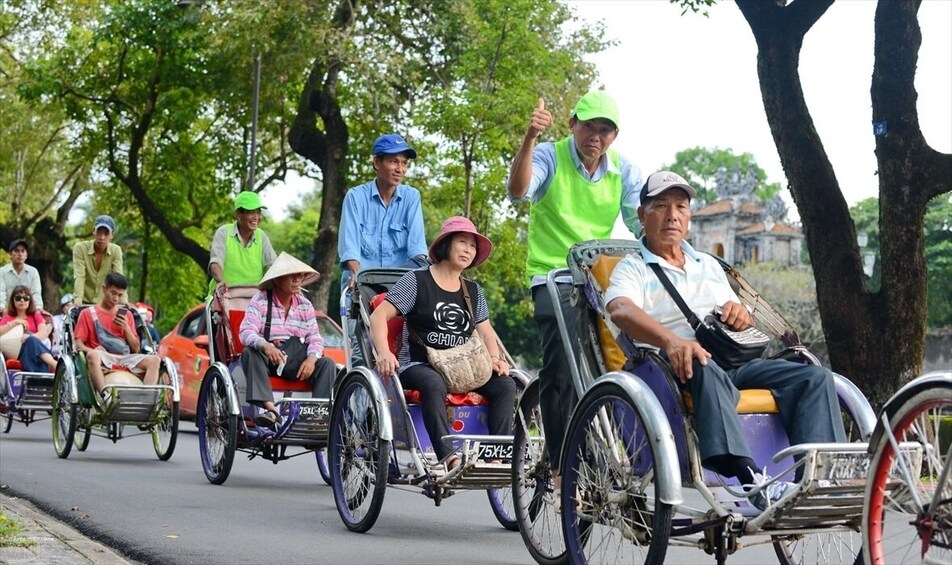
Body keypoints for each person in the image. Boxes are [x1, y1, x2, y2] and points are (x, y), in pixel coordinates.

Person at [604, 171, 847, 510]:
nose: (672, 215)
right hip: (675, 368)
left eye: (680, 206)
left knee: (813, 377)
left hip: (734, 364)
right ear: (643, 215)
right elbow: (620, 309)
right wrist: (673, 341)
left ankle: (814, 478)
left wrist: (740, 313)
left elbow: (735, 314)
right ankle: (748, 477)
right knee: (701, 360)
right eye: (660, 206)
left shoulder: (709, 264)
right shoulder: (633, 268)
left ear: (689, 216)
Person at [506, 91, 643, 485]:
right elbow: (518, 191)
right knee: (563, 365)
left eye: (604, 130)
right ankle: (559, 466)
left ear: (614, 136)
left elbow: (640, 224)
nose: (594, 137)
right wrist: (530, 138)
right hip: (552, 275)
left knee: (635, 350)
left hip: (598, 280)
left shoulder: (623, 170)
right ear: (572, 125)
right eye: (588, 127)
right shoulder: (550, 155)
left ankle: (635, 449)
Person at [370, 216, 516, 468]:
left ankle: (495, 456)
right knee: (434, 383)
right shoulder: (416, 281)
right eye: (462, 242)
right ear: (445, 245)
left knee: (506, 385)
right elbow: (378, 315)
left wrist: (495, 359)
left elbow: (487, 332)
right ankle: (449, 456)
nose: (468, 250)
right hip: (419, 364)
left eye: (473, 246)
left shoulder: (473, 290)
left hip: (465, 366)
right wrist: (383, 352)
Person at [339, 133, 427, 364]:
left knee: (405, 352)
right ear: (377, 163)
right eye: (393, 161)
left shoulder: (411, 198)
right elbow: (350, 250)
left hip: (399, 290)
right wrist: (357, 277)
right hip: (361, 286)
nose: (400, 168)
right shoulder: (355, 197)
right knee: (362, 356)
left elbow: (418, 252)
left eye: (404, 163)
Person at [239, 252, 337, 430]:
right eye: (291, 276)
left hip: (294, 361)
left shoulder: (305, 305)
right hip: (268, 361)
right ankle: (271, 411)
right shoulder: (260, 300)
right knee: (249, 353)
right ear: (277, 280)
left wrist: (311, 359)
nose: (297, 280)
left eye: (300, 276)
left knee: (327, 364)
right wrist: (266, 346)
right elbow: (246, 332)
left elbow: (315, 337)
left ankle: (317, 418)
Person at [73, 272, 160, 404]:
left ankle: (146, 400)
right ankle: (105, 396)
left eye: (120, 295)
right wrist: (92, 350)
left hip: (124, 358)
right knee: (93, 355)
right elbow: (78, 344)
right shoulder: (87, 314)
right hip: (102, 356)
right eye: (113, 293)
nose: (116, 298)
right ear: (104, 289)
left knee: (155, 360)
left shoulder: (128, 316)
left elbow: (135, 349)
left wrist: (126, 329)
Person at [208, 191, 277, 296]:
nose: (256, 217)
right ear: (238, 214)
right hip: (225, 298)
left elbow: (273, 266)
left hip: (255, 302)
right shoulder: (224, 232)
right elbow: (215, 262)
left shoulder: (261, 236)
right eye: (251, 212)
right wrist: (220, 281)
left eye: (258, 212)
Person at [0, 285, 56, 373]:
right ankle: (54, 364)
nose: (22, 300)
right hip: (16, 352)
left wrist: (29, 337)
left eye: (26, 298)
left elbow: (43, 334)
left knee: (30, 341)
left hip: (34, 349)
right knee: (30, 343)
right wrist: (15, 322)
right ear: (13, 301)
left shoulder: (36, 315)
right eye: (18, 298)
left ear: (30, 301)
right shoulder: (8, 317)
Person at [72, 215, 123, 304]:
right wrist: (78, 300)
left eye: (106, 233)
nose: (102, 237)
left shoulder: (116, 250)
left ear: (112, 235)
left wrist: (124, 301)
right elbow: (79, 276)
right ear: (93, 231)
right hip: (83, 302)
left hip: (105, 304)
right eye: (99, 232)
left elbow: (118, 278)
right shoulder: (80, 248)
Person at [0, 239, 44, 309]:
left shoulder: (33, 272)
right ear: (10, 254)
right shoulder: (2, 271)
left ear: (26, 255)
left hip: (28, 313)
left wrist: (38, 308)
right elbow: (1, 292)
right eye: (16, 251)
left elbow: (36, 293)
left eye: (23, 251)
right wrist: (1, 307)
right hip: (7, 312)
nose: (20, 254)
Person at [51, 293, 74, 357]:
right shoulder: (55, 319)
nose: (69, 308)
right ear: (62, 308)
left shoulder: (79, 320)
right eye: (67, 305)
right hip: (60, 348)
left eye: (72, 305)